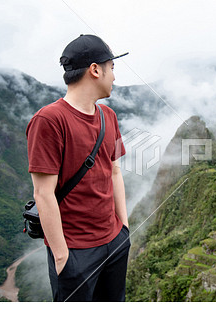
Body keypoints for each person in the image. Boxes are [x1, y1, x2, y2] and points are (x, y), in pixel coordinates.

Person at [26, 34, 130, 302]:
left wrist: (124, 230)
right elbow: (43, 193)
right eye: (112, 68)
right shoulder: (49, 120)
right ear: (95, 70)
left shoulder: (109, 116)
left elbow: (114, 171)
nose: (114, 77)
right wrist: (62, 257)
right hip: (75, 253)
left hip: (114, 242)